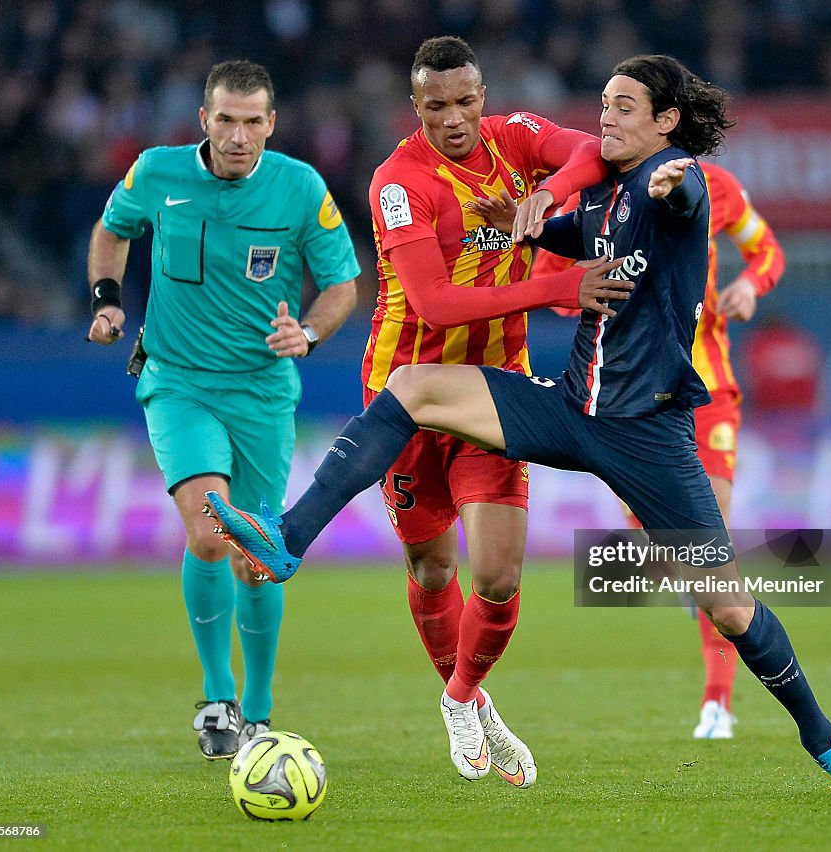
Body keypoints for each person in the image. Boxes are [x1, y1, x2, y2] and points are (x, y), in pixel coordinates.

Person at [205, 54, 831, 798]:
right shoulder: (601, 190)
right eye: (604, 103)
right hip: (570, 407)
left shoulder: (674, 182)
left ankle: (824, 740)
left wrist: (666, 180)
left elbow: (677, 194)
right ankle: (289, 536)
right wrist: (532, 223)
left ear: (665, 122)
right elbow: (586, 215)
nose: (606, 118)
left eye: (625, 107)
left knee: (727, 604)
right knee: (410, 386)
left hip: (647, 435)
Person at [311, 35, 618, 787]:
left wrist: (547, 192)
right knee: (430, 562)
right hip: (406, 394)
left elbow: (597, 151)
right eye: (436, 106)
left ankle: (459, 700)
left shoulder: (517, 139)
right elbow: (435, 304)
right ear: (414, 108)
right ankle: (475, 705)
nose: (454, 118)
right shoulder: (398, 180)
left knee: (501, 575)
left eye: (465, 101)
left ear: (483, 96)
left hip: (493, 391)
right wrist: (554, 288)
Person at [86, 59, 360, 760]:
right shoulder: (156, 173)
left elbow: (340, 285)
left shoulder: (300, 188)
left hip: (264, 393)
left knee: (257, 558)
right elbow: (111, 230)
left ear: (271, 123)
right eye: (227, 120)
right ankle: (218, 699)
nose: (240, 135)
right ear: (204, 120)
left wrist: (311, 331)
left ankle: (260, 713)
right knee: (211, 533)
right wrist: (107, 298)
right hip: (177, 381)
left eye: (253, 121)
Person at [528, 161, 786, 739]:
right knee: (677, 558)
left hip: (709, 392)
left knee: (709, 552)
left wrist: (750, 284)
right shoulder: (603, 194)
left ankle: (717, 701)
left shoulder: (716, 184)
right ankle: (721, 678)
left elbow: (766, 249)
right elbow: (553, 276)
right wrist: (584, 291)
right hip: (635, 400)